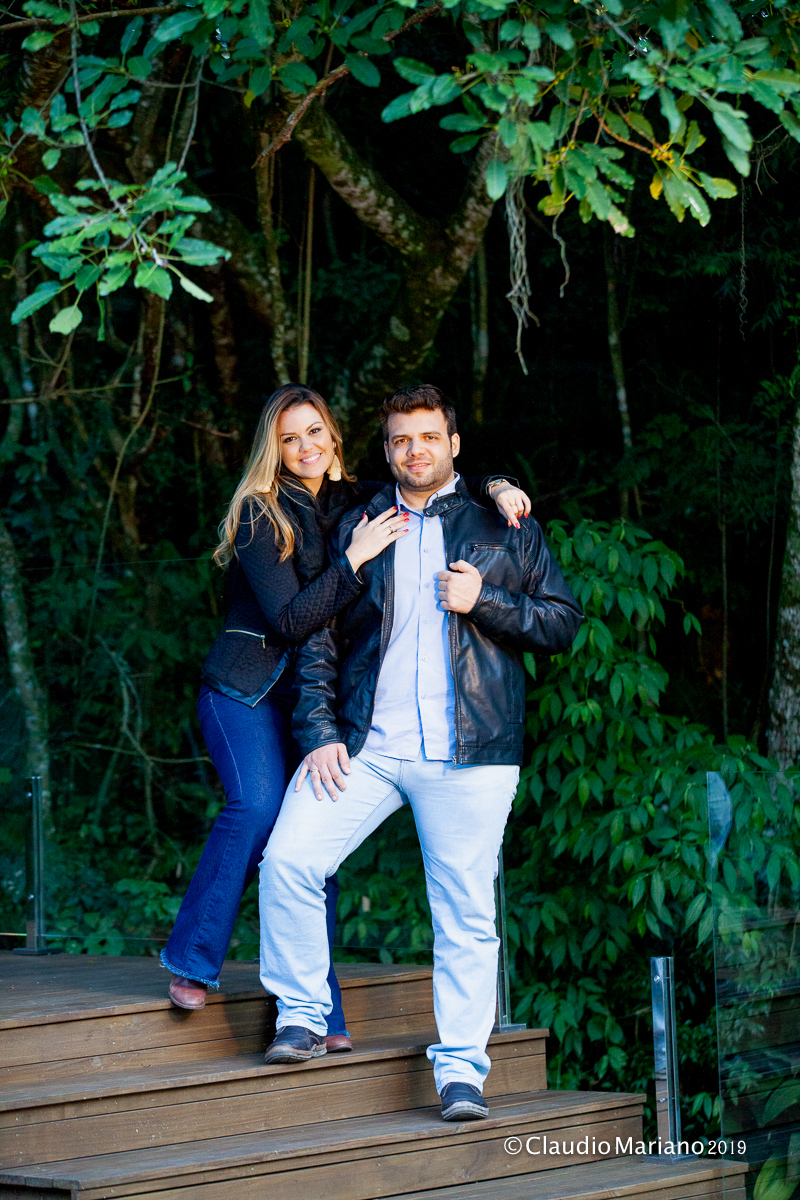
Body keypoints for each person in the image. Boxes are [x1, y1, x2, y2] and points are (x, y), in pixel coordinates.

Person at [161, 382, 531, 1053]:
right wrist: (355, 559)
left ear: (333, 436)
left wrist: (497, 485)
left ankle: (321, 1013)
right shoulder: (260, 511)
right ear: (273, 449)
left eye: (314, 432)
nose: (304, 447)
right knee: (258, 808)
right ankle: (193, 957)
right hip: (247, 689)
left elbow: (432, 478)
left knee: (313, 847)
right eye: (289, 438)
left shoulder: (355, 498)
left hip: (311, 699)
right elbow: (293, 620)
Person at [257, 384, 583, 1114]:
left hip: (472, 750)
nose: (415, 450)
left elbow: (562, 622)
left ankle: (462, 1070)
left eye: (429, 437)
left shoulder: (503, 521)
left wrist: (484, 600)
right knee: (288, 862)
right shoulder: (359, 521)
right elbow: (319, 638)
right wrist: (319, 733)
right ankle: (302, 1013)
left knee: (465, 913)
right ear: (386, 449)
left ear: (454, 444)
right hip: (367, 745)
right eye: (402, 439)